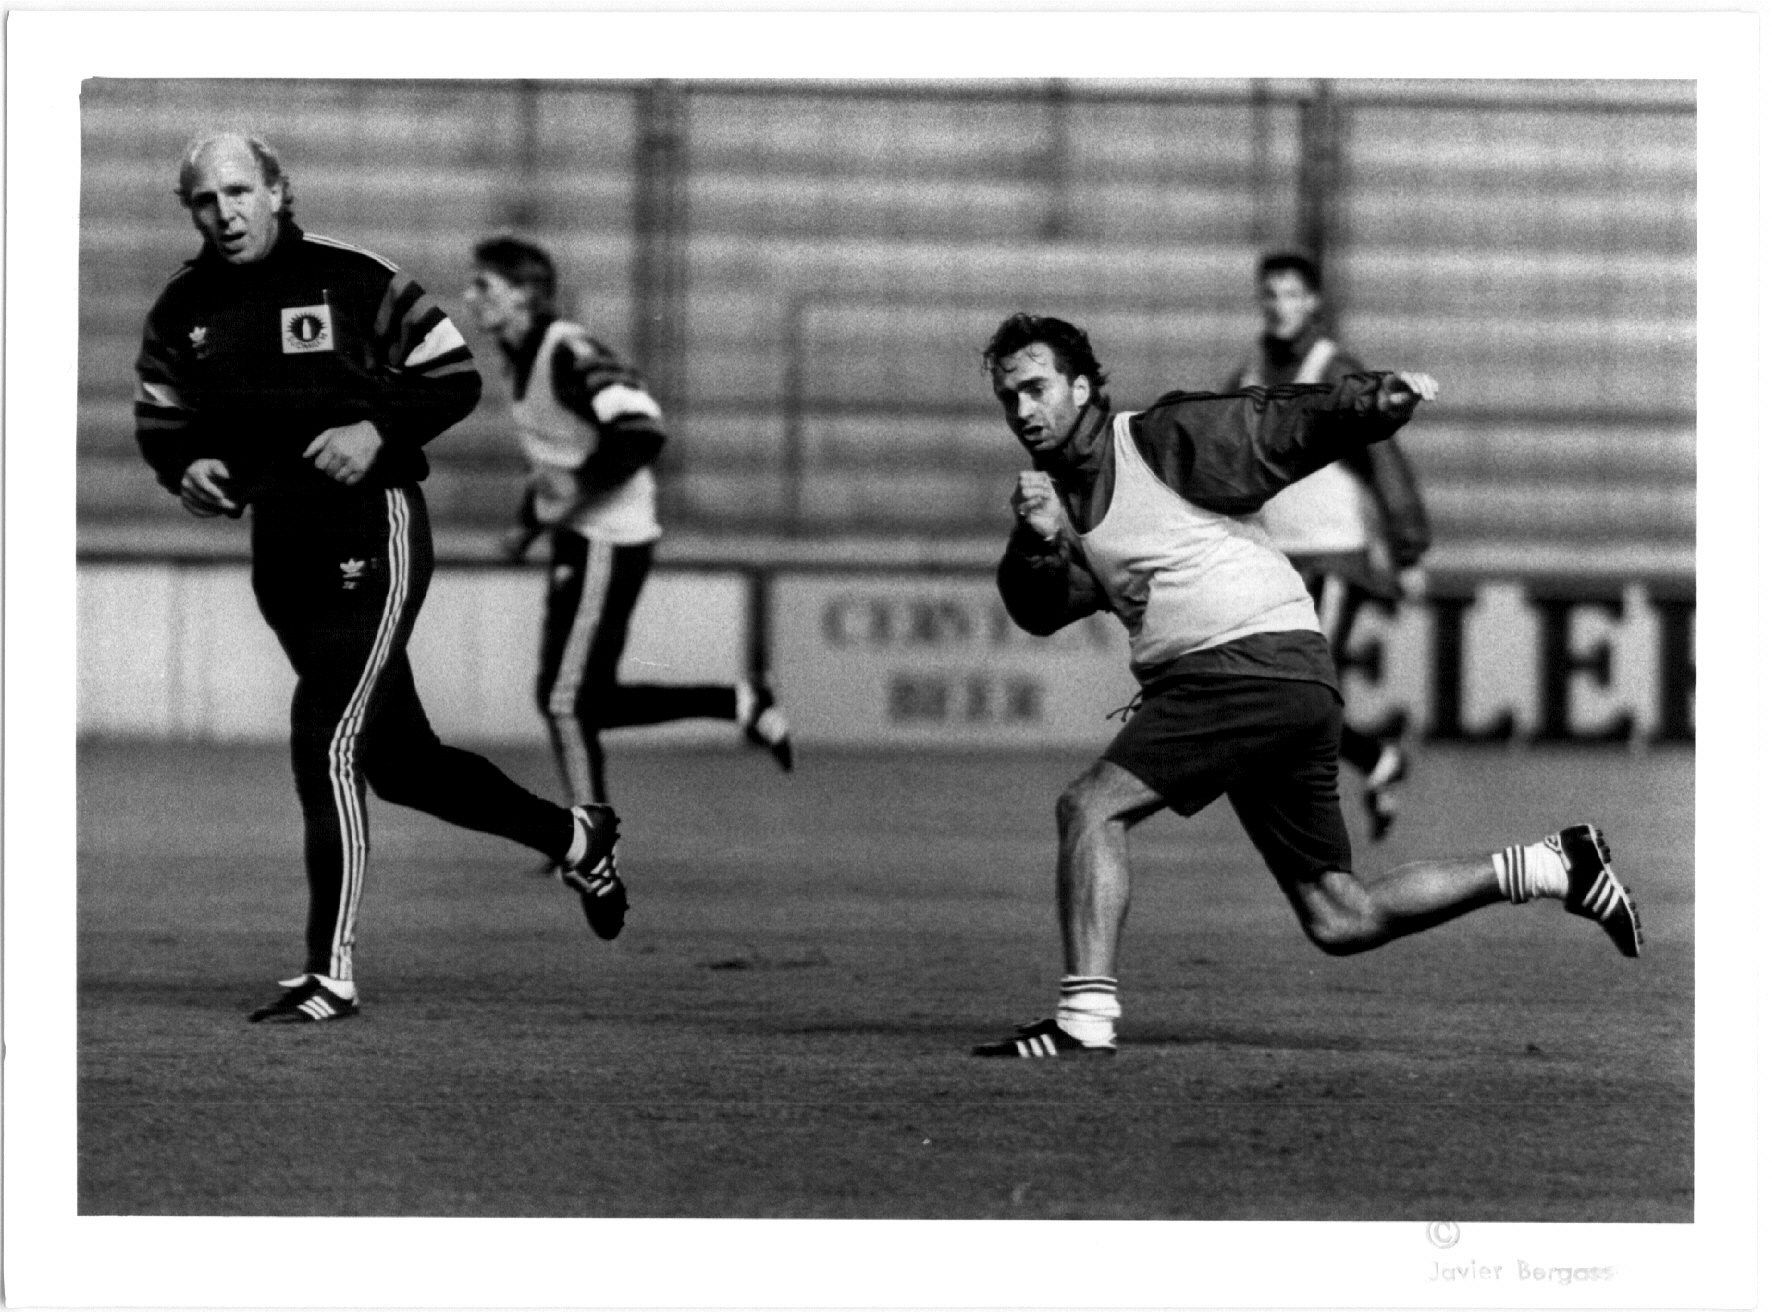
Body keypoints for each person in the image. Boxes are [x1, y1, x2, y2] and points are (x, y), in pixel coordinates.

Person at [971, 313, 1641, 1060]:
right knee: (1339, 916)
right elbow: (1043, 610)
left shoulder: (1157, 439)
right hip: (1282, 678)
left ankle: (1084, 1019)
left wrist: (1371, 402)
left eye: (1036, 389)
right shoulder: (1063, 496)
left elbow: (1271, 425)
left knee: (1091, 807)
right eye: (1009, 398)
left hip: (1240, 667)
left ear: (1083, 386)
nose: (1023, 411)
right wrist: (1032, 543)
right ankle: (1554, 864)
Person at [133, 134, 628, 1025]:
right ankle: (575, 835)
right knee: (402, 764)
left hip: (374, 531)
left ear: (279, 192)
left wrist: (376, 432)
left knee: (324, 740)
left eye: (241, 192)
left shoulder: (355, 280)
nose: (226, 213)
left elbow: (453, 376)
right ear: (192, 212)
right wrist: (187, 467)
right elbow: (161, 418)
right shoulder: (183, 309)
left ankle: (331, 974)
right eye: (205, 201)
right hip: (280, 551)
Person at [463, 234, 793, 808]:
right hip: (582, 538)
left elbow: (641, 429)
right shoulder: (524, 357)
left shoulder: (569, 351)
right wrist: (529, 524)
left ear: (524, 294)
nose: (469, 298)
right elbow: (556, 460)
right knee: (573, 698)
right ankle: (739, 704)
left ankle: (590, 841)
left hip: (608, 540)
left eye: (483, 285)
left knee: (567, 701)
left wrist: (575, 491)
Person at [1226, 252, 1432, 841]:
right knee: (1289, 686)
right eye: (1271, 295)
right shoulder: (1250, 370)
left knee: (1301, 682)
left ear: (1312, 302)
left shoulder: (1333, 366)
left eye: (1292, 295)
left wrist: (1409, 547)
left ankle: (1320, 801)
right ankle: (1376, 761)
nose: (1280, 305)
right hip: (1274, 556)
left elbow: (1382, 454)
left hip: (1333, 553)